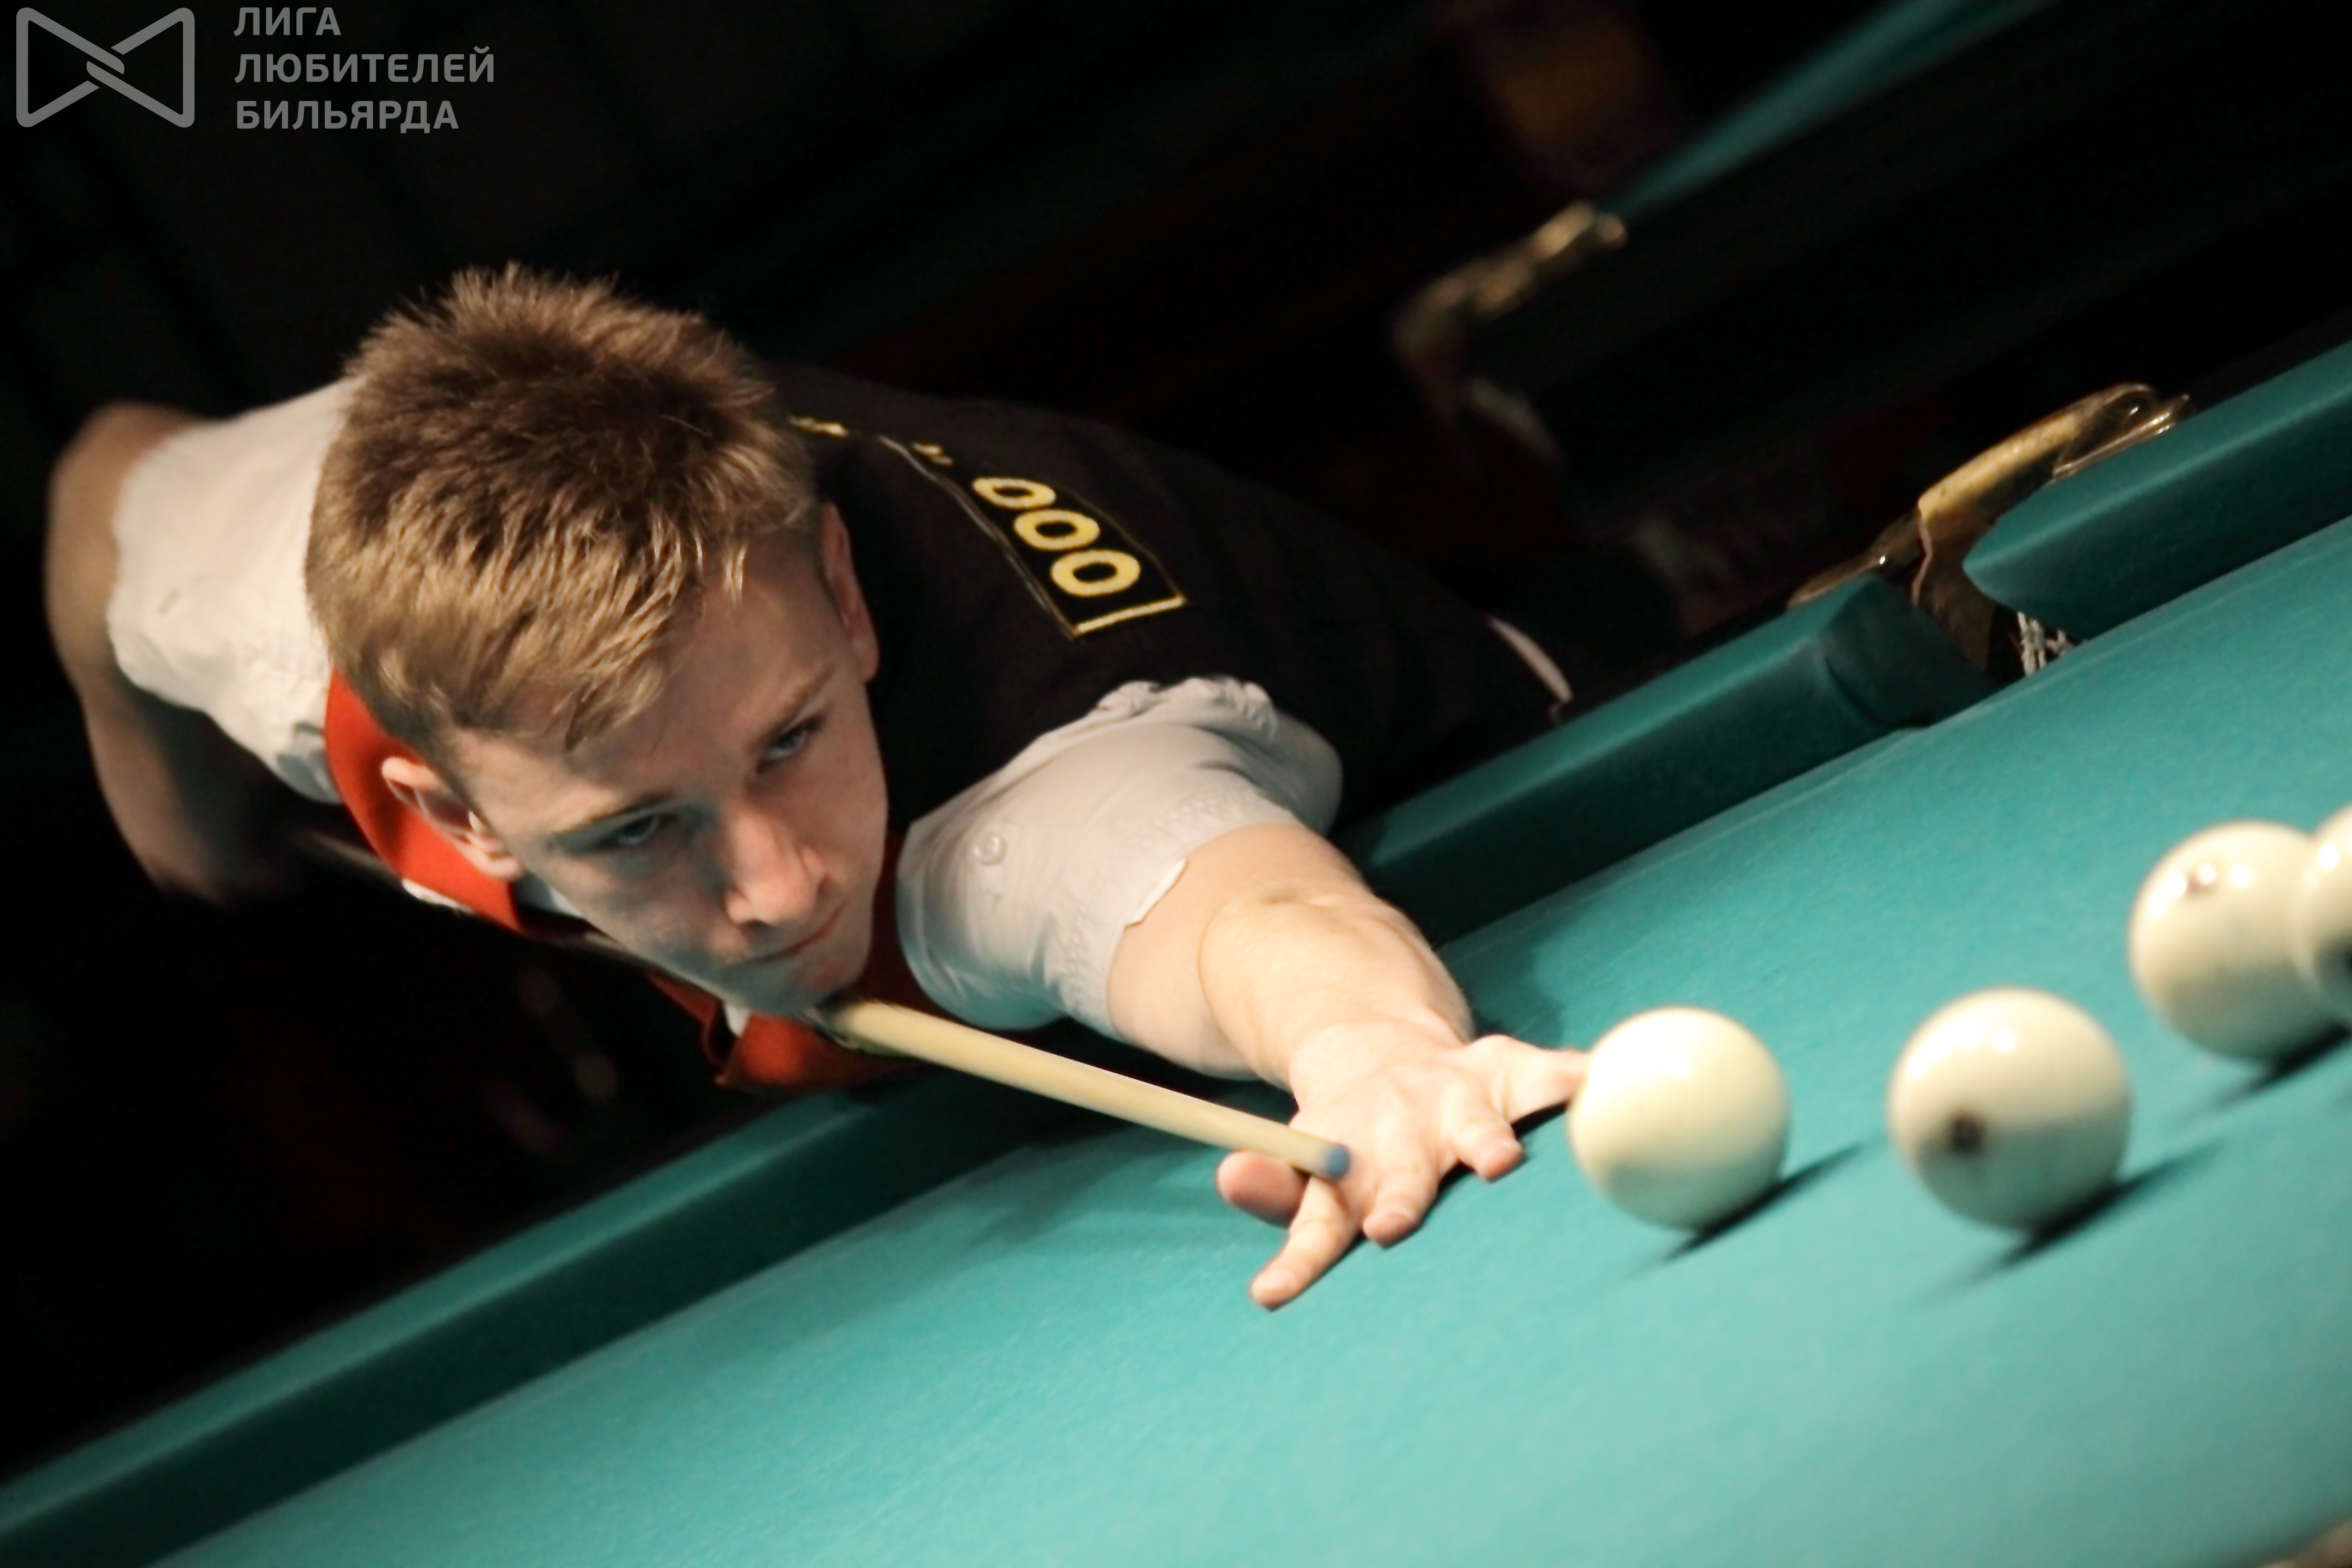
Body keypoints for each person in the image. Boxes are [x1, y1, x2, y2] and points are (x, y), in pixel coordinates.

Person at [44, 266, 1586, 1307]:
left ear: (840, 598)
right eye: (638, 828)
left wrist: (1368, 1050)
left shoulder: (1035, 796)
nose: (780, 886)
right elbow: (107, 475)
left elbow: (1235, 904)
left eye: (787, 739)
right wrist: (166, 800)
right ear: (456, 816)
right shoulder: (262, 604)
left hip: (1492, 783)